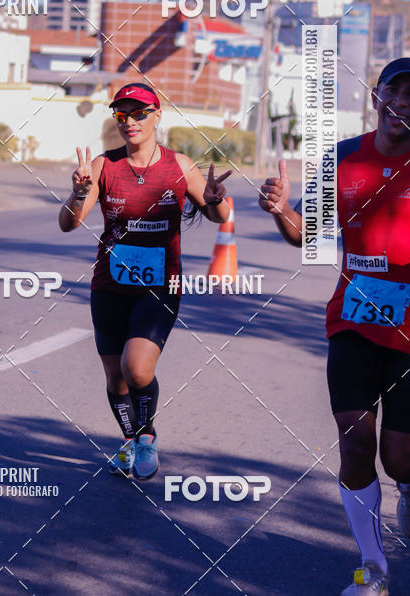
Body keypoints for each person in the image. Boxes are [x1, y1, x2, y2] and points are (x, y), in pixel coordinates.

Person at [259, 58, 410, 595]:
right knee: (355, 445)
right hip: (352, 324)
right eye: (398, 93)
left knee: (400, 457)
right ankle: (372, 570)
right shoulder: (342, 159)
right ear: (378, 98)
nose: (406, 105)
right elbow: (309, 236)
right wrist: (281, 211)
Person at [59, 82, 232, 480]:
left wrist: (216, 197)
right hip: (110, 287)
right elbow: (69, 224)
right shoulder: (105, 166)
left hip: (160, 287)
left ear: (157, 115)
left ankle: (145, 437)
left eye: (139, 113)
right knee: (115, 377)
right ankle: (132, 440)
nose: (130, 121)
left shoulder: (178, 165)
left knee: (136, 368)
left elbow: (218, 215)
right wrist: (77, 193)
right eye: (122, 114)